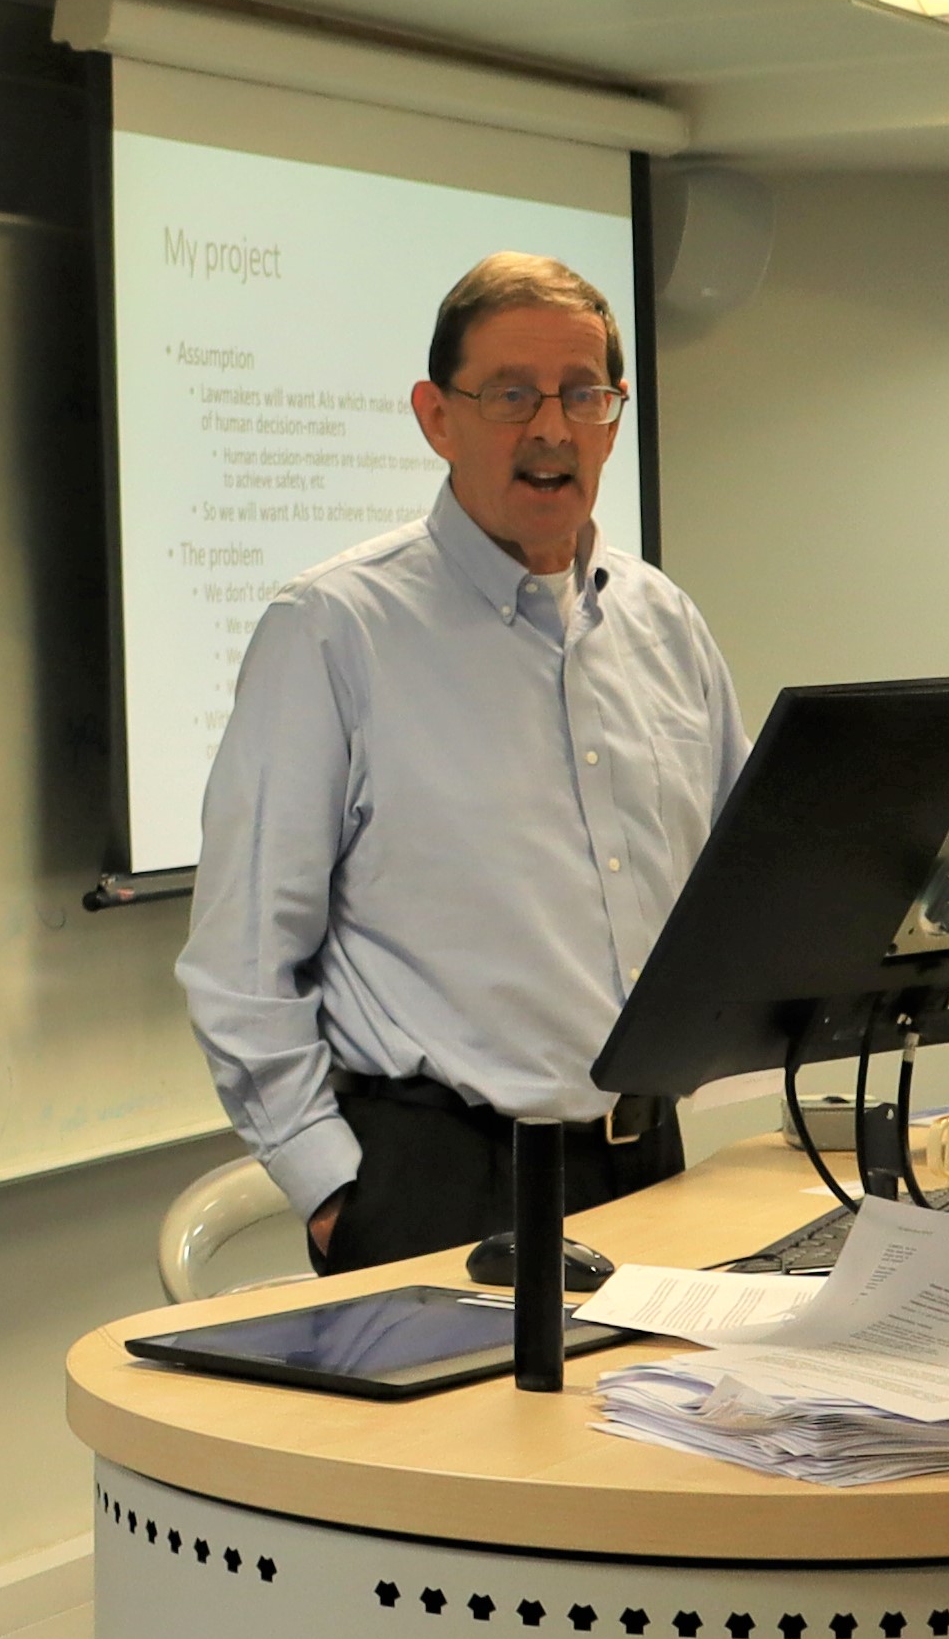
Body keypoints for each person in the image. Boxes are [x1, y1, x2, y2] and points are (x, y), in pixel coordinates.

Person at [177, 250, 747, 1277]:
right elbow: (242, 959)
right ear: (436, 418)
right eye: (510, 394)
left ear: (614, 417)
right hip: (441, 1181)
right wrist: (338, 1194)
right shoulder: (333, 629)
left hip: (648, 1163)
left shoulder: (663, 621)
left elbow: (738, 885)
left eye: (582, 394)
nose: (550, 428)